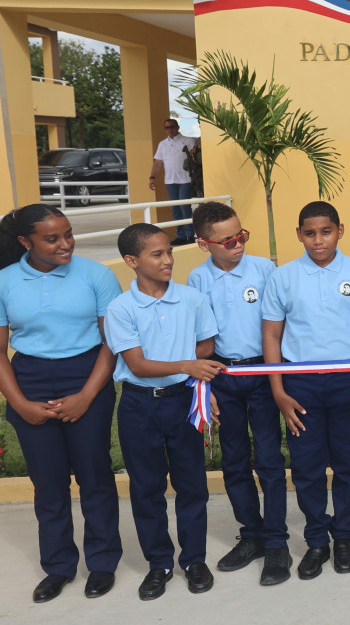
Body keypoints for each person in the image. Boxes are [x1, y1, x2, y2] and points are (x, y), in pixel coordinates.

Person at [0, 204, 122, 603]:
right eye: (52, 239)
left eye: (68, 234)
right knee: (48, 482)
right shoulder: (4, 281)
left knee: (94, 475)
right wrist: (20, 403)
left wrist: (86, 396)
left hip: (88, 374)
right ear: (25, 242)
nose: (65, 244)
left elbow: (111, 343)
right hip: (30, 378)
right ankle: (58, 567)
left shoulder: (96, 275)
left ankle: (102, 563)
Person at [262, 201, 350, 579]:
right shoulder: (283, 277)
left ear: (339, 231)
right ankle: (316, 539)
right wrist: (278, 391)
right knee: (307, 467)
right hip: (300, 383)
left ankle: (343, 536)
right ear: (299, 234)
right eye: (310, 233)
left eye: (326, 232)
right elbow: (272, 335)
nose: (318, 240)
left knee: (349, 464)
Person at [105, 223, 221, 600]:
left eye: (169, 251)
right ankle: (159, 563)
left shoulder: (192, 299)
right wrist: (185, 364)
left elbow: (206, 346)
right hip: (139, 405)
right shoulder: (121, 308)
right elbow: (137, 365)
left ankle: (194, 560)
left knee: (192, 484)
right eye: (157, 254)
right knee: (146, 487)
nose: (168, 260)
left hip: (183, 400)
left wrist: (186, 368)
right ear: (131, 261)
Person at [187, 201, 289, 586]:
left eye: (241, 235)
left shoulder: (264, 270)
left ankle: (276, 542)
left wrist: (279, 376)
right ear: (204, 244)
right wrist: (205, 385)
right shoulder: (197, 279)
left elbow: (279, 326)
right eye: (228, 241)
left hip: (262, 373)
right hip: (222, 376)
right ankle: (252, 535)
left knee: (269, 458)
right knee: (234, 460)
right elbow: (197, 336)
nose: (238, 244)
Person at [147, 118, 196, 242]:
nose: (170, 130)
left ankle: (190, 235)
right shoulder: (162, 144)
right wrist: (152, 177)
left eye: (172, 127)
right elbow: (158, 162)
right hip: (170, 180)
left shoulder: (188, 141)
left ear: (177, 127)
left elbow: (195, 159)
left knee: (184, 207)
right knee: (175, 209)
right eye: (167, 128)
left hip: (185, 179)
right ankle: (180, 236)